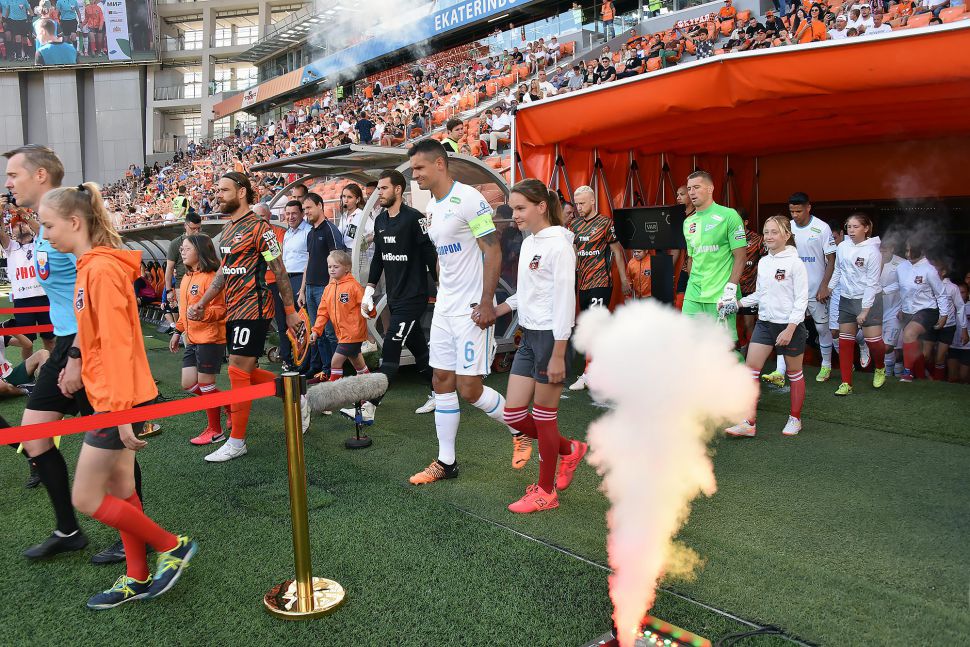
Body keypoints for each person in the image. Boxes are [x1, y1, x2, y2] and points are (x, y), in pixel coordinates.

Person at [38, 182, 197, 609]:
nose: (45, 235)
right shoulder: (91, 266)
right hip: (110, 396)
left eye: (49, 226)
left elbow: (118, 345)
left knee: (86, 498)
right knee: (123, 488)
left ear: (75, 222)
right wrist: (75, 362)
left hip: (115, 400)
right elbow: (95, 334)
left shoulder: (101, 270)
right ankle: (137, 576)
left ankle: (172, 545)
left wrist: (122, 411)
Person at [405, 139, 522, 485]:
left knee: (470, 390)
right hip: (445, 308)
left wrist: (487, 302)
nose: (415, 175)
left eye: (419, 168)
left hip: (471, 309)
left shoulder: (469, 198)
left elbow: (493, 250)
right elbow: (444, 255)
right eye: (413, 169)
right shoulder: (432, 207)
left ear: (439, 164)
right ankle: (446, 462)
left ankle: (520, 429)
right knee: (441, 380)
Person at [187, 172, 304, 463]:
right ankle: (296, 393)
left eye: (224, 190)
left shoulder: (261, 229)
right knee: (243, 372)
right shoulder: (227, 230)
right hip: (233, 309)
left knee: (237, 371)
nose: (218, 195)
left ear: (241, 192)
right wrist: (203, 302)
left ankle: (237, 440)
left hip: (255, 308)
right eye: (217, 190)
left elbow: (279, 270)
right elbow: (224, 273)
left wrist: (290, 311)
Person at [495, 179, 586, 513]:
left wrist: (559, 352)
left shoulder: (559, 246)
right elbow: (527, 293)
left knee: (544, 418)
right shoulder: (530, 241)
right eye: (513, 209)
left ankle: (546, 492)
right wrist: (499, 310)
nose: (515, 215)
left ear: (541, 207)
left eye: (520, 208)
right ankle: (570, 450)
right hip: (529, 337)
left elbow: (564, 302)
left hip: (551, 338)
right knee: (514, 414)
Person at [357, 169, 438, 422]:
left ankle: (369, 406)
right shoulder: (380, 221)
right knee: (419, 350)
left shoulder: (415, 218)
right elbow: (379, 258)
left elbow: (430, 256)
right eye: (378, 189)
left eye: (383, 188)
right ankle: (440, 392)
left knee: (390, 350)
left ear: (398, 189)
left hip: (413, 298)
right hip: (395, 297)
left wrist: (442, 287)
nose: (378, 193)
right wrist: (369, 289)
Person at [725, 216, 809, 438]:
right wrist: (737, 304)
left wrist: (790, 329)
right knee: (750, 369)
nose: (769, 236)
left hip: (790, 326)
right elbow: (761, 294)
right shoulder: (763, 262)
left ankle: (795, 419)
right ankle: (748, 422)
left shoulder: (796, 263)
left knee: (794, 373)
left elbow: (802, 300)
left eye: (774, 232)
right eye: (766, 232)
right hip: (765, 323)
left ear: (786, 235)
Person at [764, 193, 837, 385]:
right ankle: (780, 371)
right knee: (784, 327)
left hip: (815, 289)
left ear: (808, 208)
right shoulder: (786, 227)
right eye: (792, 211)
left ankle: (826, 365)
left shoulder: (821, 228)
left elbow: (831, 260)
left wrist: (825, 286)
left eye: (798, 211)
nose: (795, 215)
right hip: (791, 289)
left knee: (821, 327)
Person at [567, 185, 631, 391]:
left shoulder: (605, 223)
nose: (579, 207)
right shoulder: (574, 225)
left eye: (582, 203)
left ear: (593, 201)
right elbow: (573, 253)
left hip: (601, 282)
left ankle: (590, 373)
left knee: (593, 326)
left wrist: (624, 279)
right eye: (577, 204)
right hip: (583, 283)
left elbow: (617, 252)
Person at [171, 234, 228, 446]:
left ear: (200, 251)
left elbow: (222, 310)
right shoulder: (187, 277)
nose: (182, 252)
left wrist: (204, 314)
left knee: (206, 384)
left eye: (187, 248)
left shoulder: (212, 278)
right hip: (192, 338)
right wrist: (178, 331)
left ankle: (216, 431)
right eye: (182, 249)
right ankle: (229, 406)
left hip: (210, 338)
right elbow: (184, 311)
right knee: (188, 384)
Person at [681, 171, 748, 344]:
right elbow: (692, 258)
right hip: (694, 294)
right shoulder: (688, 222)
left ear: (710, 188)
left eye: (697, 187)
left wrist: (731, 289)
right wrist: (692, 283)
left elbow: (741, 256)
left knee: (724, 346)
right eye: (689, 188)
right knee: (688, 341)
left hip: (721, 293)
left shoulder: (729, 215)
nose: (692, 192)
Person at [827, 213, 886, 395]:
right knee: (845, 341)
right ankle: (846, 383)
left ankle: (880, 367)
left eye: (856, 227)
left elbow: (872, 283)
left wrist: (865, 310)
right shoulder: (842, 246)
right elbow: (838, 269)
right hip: (847, 298)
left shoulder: (873, 252)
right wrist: (829, 288)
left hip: (869, 299)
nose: (851, 230)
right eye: (849, 227)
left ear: (866, 228)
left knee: (873, 342)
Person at [298, 192, 345, 381]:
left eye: (309, 208)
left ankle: (337, 373)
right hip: (311, 289)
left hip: (326, 289)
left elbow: (339, 261)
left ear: (320, 205)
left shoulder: (330, 230)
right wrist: (302, 290)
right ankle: (325, 371)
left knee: (331, 333)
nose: (306, 212)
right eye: (304, 209)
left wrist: (334, 288)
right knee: (318, 333)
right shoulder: (311, 233)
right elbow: (309, 262)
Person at [309, 251, 371, 384]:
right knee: (359, 366)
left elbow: (368, 304)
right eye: (329, 266)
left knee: (335, 362)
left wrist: (370, 311)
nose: (332, 269)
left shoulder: (354, 286)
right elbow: (322, 312)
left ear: (347, 268)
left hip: (353, 334)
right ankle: (371, 387)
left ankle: (332, 391)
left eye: (336, 266)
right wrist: (316, 331)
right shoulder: (328, 288)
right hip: (342, 335)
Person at [1, 207, 55, 353]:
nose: (20, 225)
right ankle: (29, 369)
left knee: (50, 339)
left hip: (44, 297)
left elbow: (41, 231)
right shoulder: (11, 247)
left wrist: (24, 215)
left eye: (23, 223)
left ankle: (52, 367)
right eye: (15, 225)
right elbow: (1, 233)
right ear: (12, 232)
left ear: (29, 226)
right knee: (27, 342)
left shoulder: (39, 242)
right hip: (22, 300)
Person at [894, 239, 950, 382]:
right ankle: (921, 375)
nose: (908, 254)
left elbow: (941, 294)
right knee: (915, 345)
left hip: (927, 310)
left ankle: (907, 373)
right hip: (908, 311)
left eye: (912, 251)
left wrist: (944, 315)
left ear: (922, 251)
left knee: (909, 333)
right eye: (906, 251)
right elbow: (900, 290)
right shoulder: (901, 267)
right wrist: (899, 307)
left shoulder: (929, 270)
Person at [278, 199, 312, 370]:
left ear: (302, 214)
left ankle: (305, 363)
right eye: (288, 213)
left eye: (294, 213)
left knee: (302, 322)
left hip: (301, 279)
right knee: (289, 323)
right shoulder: (287, 234)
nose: (290, 217)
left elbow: (310, 260)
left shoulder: (308, 231)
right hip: (287, 280)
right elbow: (284, 260)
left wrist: (303, 288)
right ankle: (292, 360)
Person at [924, 258, 963, 381]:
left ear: (943, 272)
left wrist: (964, 329)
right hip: (931, 324)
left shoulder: (952, 288)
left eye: (935, 271)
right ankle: (926, 377)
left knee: (940, 358)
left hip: (947, 326)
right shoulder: (927, 285)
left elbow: (960, 307)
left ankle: (937, 383)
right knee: (925, 355)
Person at [163, 212, 203, 329]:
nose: (196, 231)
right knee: (185, 318)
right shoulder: (176, 243)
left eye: (199, 228)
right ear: (185, 226)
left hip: (201, 283)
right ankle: (186, 339)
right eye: (193, 228)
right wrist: (168, 290)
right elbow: (169, 268)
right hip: (182, 285)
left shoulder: (203, 240)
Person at [737, 212, 765, 352]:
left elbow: (766, 262)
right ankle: (741, 349)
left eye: (737, 220)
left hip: (751, 288)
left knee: (749, 324)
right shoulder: (729, 237)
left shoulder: (757, 240)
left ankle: (753, 352)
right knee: (735, 323)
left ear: (746, 222)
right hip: (734, 287)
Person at [879, 239, 905, 376]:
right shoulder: (873, 260)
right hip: (876, 311)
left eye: (885, 249)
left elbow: (904, 285)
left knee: (889, 346)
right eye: (881, 249)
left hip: (894, 311)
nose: (882, 251)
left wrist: (903, 309)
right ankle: (889, 374)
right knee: (879, 346)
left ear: (892, 249)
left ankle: (889, 373)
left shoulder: (902, 264)